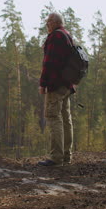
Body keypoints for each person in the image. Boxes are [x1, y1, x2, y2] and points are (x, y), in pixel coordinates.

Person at [38, 12, 74, 167]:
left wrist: (43, 83)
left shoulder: (55, 37)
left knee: (53, 117)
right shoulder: (67, 35)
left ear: (55, 22)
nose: (47, 24)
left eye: (48, 21)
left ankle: (56, 158)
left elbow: (49, 63)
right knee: (66, 119)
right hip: (67, 85)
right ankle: (66, 156)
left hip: (55, 84)